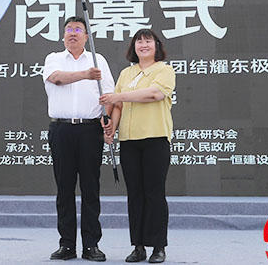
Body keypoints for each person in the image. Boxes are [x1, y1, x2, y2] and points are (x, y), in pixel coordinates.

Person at [99, 29, 175, 264]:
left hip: (155, 138)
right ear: (133, 48)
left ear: (156, 46)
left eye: (148, 41)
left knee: (154, 193)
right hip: (129, 141)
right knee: (135, 195)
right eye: (139, 41)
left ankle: (158, 247)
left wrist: (119, 97)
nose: (143, 45)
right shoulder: (126, 73)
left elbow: (154, 94)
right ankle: (138, 246)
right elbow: (118, 106)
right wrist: (112, 128)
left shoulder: (164, 70)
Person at [43, 16, 115, 262]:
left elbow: (110, 96)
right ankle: (67, 245)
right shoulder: (54, 59)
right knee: (64, 189)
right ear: (63, 36)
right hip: (61, 130)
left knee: (90, 189)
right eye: (69, 30)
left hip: (89, 131)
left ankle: (91, 245)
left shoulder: (99, 61)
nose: (73, 33)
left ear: (87, 36)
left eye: (78, 30)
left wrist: (111, 122)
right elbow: (57, 79)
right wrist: (85, 74)